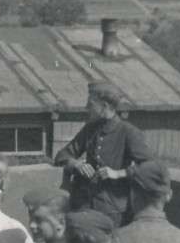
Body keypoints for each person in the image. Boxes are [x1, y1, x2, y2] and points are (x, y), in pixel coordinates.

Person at [54, 80, 154, 228]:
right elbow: (62, 155)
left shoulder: (128, 131)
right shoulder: (90, 129)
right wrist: (76, 164)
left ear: (104, 107)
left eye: (90, 104)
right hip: (84, 205)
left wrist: (119, 173)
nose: (86, 108)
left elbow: (151, 166)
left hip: (113, 210)